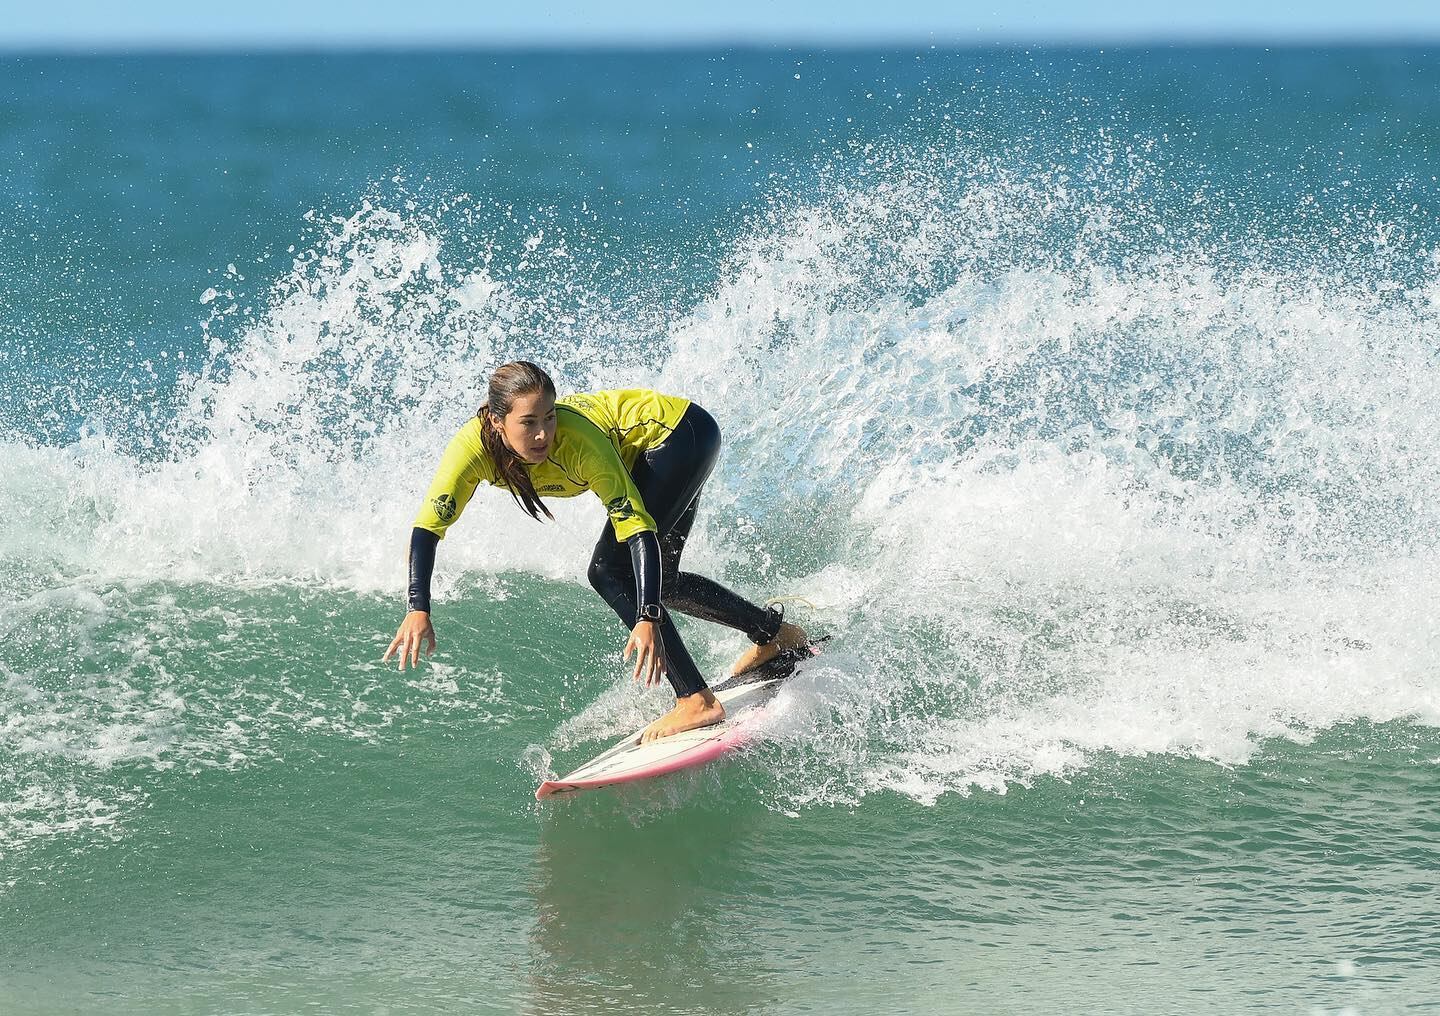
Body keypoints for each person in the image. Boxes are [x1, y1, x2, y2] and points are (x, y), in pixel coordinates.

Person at [383, 361, 809, 741]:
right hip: (680, 438)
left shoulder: (579, 440)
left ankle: (695, 699)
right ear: (497, 422)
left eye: (549, 417)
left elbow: (637, 529)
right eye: (528, 422)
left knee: (609, 571)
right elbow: (427, 529)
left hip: (679, 437)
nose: (543, 433)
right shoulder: (470, 451)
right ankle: (775, 634)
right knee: (665, 581)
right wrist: (418, 608)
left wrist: (646, 618)